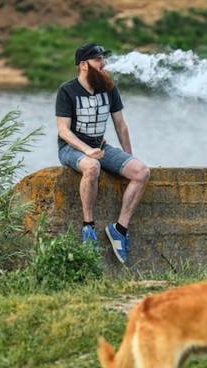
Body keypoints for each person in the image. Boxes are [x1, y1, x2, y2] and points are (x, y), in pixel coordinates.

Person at [55, 42, 150, 265]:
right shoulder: (67, 91)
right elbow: (63, 130)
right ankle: (88, 228)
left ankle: (119, 229)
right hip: (72, 149)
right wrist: (86, 150)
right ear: (83, 65)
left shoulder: (108, 88)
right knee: (92, 166)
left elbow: (121, 125)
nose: (103, 63)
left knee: (142, 171)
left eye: (102, 58)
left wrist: (128, 156)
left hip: (101, 148)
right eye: (97, 59)